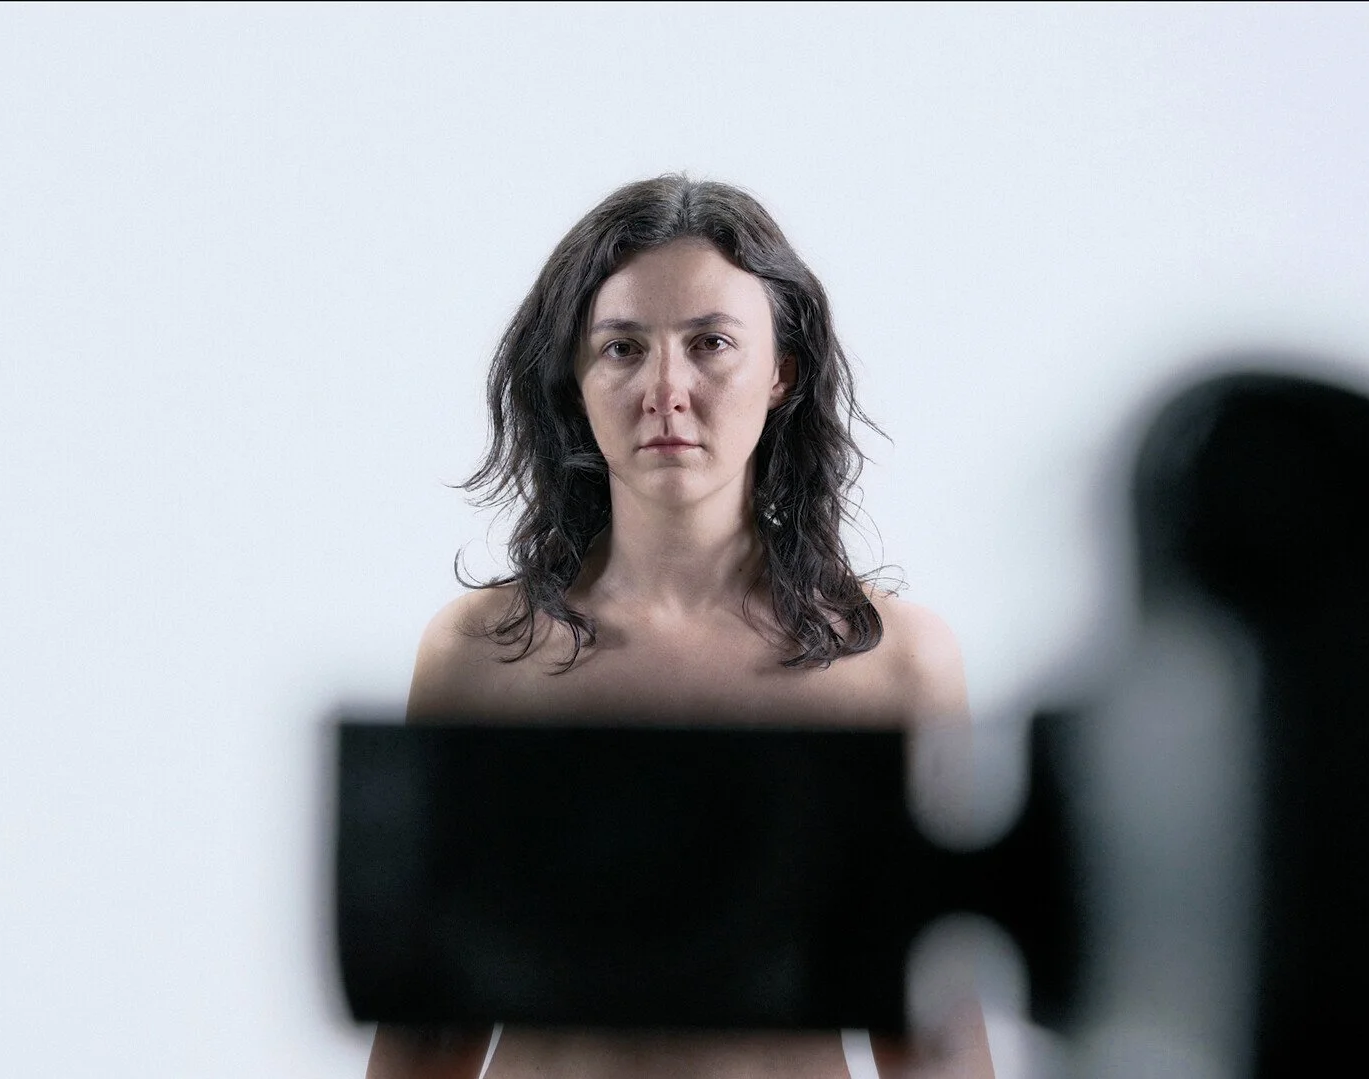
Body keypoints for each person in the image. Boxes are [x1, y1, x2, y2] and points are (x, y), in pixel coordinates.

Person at [365, 176, 992, 1079]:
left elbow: (934, 1032)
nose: (667, 389)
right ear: (574, 379)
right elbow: (428, 1031)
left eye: (711, 344)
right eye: (622, 347)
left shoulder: (894, 666)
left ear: (783, 370)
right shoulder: (481, 656)